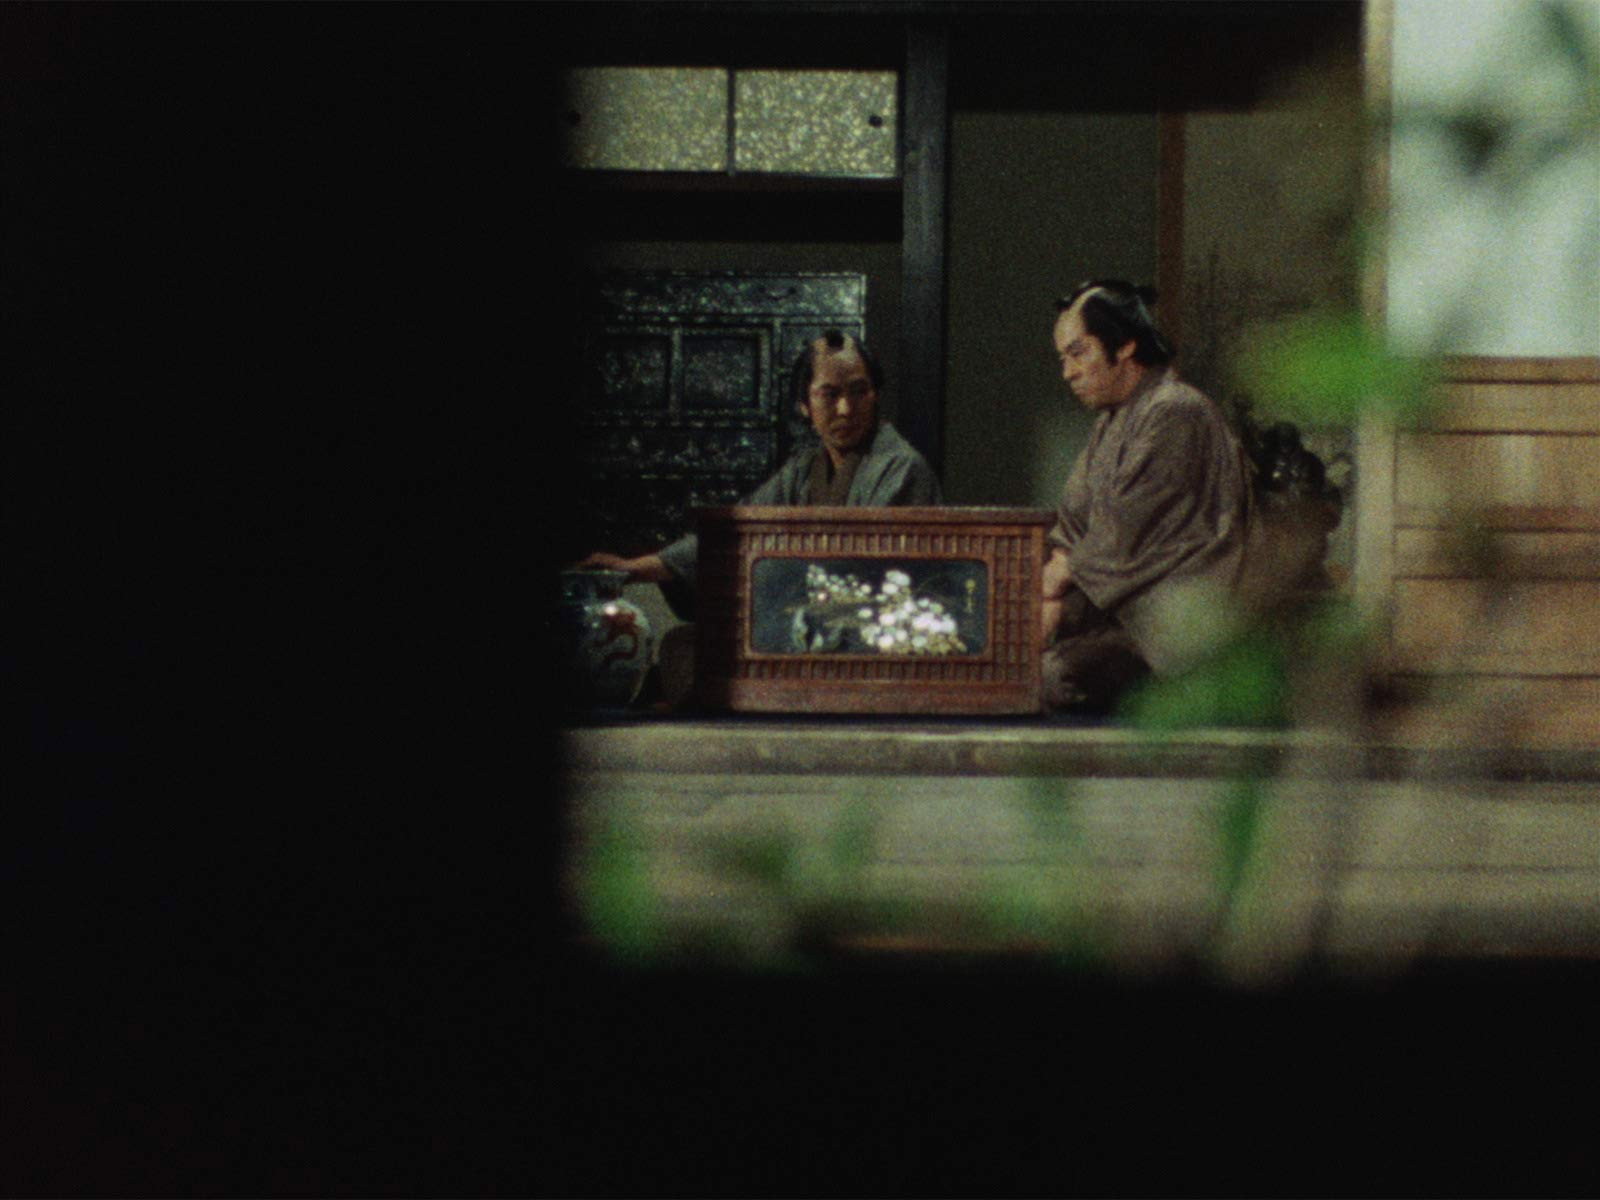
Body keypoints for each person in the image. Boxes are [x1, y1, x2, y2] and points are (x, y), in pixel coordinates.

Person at [579, 329, 941, 600]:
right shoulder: (804, 470)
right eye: (830, 395)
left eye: (859, 392)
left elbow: (869, 569)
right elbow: (738, 529)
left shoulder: (901, 468)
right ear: (804, 405)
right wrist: (637, 569)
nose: (846, 409)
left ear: (875, 395)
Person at [1040, 280, 1258, 712]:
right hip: (1128, 616)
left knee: (1050, 677)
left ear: (1124, 345)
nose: (1069, 372)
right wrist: (1052, 587)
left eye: (1079, 353)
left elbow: (1126, 529)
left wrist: (1061, 576)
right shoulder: (1113, 419)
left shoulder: (1176, 409)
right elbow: (1074, 520)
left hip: (1178, 631)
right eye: (1063, 358)